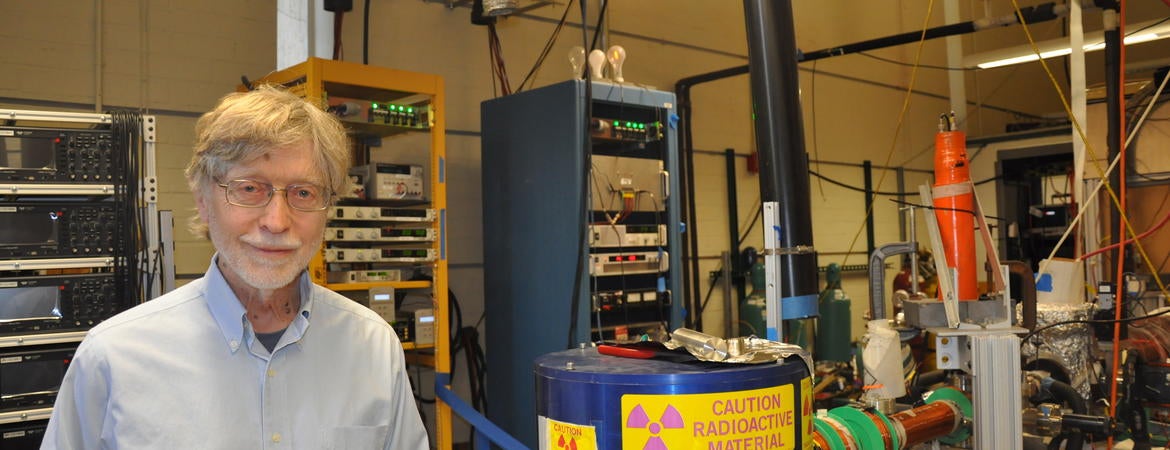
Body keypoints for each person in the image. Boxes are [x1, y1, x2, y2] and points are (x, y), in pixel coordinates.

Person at [42, 86, 429, 449]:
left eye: (304, 192)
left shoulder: (374, 346)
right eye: (249, 188)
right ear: (203, 200)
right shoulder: (113, 358)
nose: (277, 222)